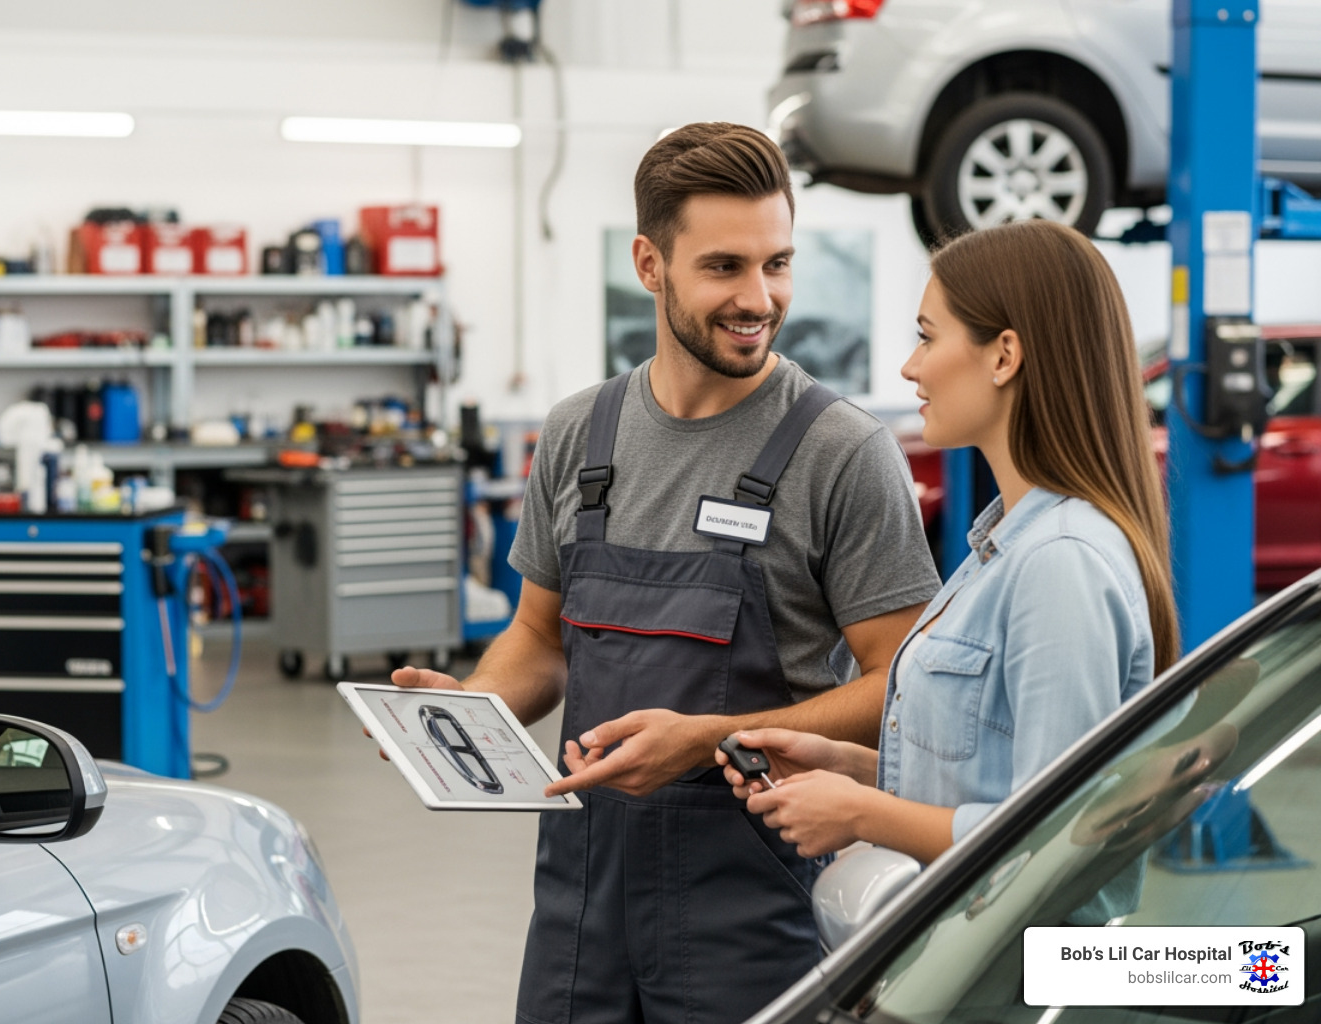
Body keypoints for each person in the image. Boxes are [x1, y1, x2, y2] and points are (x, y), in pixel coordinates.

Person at [389, 122, 940, 1024]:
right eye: (724, 267)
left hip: (752, 915)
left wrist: (714, 734)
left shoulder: (841, 452)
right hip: (579, 911)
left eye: (778, 264)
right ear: (651, 265)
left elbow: (903, 686)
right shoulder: (579, 434)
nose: (759, 297)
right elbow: (537, 638)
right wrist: (464, 710)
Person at [719, 219, 1179, 867]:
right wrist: (854, 770)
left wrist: (861, 815)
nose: (911, 366)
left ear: (1003, 356)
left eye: (927, 337)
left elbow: (1056, 837)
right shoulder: (1003, 547)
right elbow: (990, 783)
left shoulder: (1060, 563)